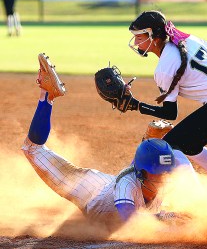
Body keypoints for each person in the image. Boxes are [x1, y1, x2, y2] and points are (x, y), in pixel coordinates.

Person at [22, 53, 193, 223]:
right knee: (33, 150)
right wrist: (165, 216)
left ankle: (149, 140)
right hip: (90, 194)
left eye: (165, 173)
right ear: (143, 174)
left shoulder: (156, 180)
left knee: (138, 175)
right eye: (158, 174)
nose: (163, 177)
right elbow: (130, 220)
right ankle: (47, 94)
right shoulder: (126, 186)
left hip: (107, 184)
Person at [124, 10, 207, 190]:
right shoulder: (187, 40)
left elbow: (170, 113)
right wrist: (201, 68)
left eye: (139, 37)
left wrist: (135, 105)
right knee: (191, 145)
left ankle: (197, 200)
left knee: (173, 145)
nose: (136, 42)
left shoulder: (164, 67)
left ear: (154, 38)